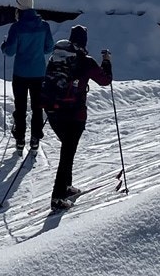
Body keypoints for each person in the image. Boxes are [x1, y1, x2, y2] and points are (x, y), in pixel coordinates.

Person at [41, 24, 113, 212]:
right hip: (75, 114)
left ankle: (66, 186)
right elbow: (105, 80)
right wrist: (106, 61)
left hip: (53, 110)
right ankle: (57, 198)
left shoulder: (56, 57)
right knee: (67, 152)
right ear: (84, 42)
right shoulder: (86, 61)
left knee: (68, 149)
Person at [2, 0, 54, 151]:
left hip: (21, 73)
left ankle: (20, 138)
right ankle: (35, 138)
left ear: (19, 9)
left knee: (20, 106)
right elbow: (49, 48)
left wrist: (4, 45)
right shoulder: (44, 26)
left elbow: (9, 51)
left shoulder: (16, 27)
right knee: (37, 106)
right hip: (38, 72)